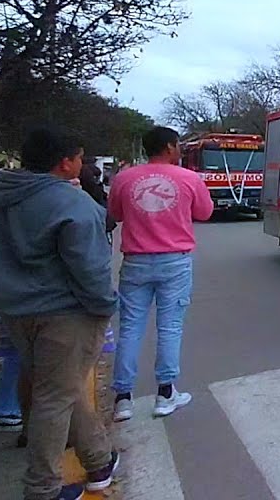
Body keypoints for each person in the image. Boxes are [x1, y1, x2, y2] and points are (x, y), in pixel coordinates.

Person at [0, 129, 119, 500]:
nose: (81, 164)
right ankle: (43, 488)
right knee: (53, 398)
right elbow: (90, 267)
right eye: (79, 157)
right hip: (67, 313)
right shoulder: (71, 204)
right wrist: (104, 306)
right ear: (65, 161)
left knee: (60, 387)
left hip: (15, 308)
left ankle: (99, 459)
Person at [109, 126, 214, 422]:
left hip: (135, 262)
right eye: (177, 145)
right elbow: (205, 213)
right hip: (175, 261)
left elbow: (115, 213)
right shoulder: (190, 179)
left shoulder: (124, 178)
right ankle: (165, 393)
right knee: (170, 327)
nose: (180, 149)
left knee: (130, 327)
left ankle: (123, 399)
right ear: (169, 147)